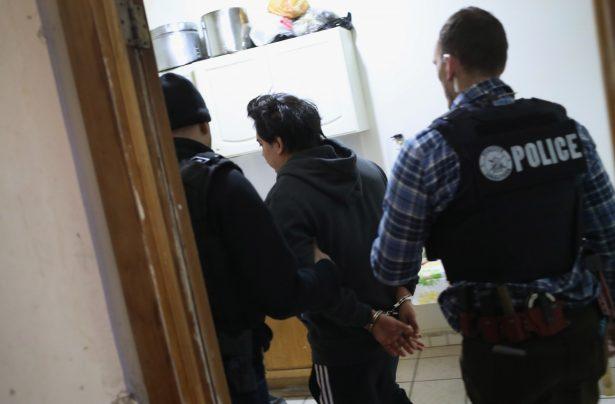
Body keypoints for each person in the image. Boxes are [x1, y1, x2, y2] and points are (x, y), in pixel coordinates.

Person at [370, 7, 615, 404]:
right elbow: (608, 233)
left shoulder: (428, 150)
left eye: (436, 64)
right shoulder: (567, 129)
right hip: (577, 336)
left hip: (503, 352)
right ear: (500, 60)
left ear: (449, 66)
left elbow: (391, 265)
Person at [160, 73, 342, 404]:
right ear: (204, 125)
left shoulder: (145, 183)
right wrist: (326, 271)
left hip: (172, 361)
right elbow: (282, 295)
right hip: (233, 360)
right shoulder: (221, 182)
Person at [247, 93, 422, 404]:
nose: (263, 153)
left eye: (261, 144)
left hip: (343, 341)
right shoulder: (369, 171)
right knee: (384, 393)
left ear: (277, 144)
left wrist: (370, 320)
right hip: (390, 327)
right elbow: (397, 245)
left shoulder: (284, 199)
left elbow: (306, 286)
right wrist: (402, 293)